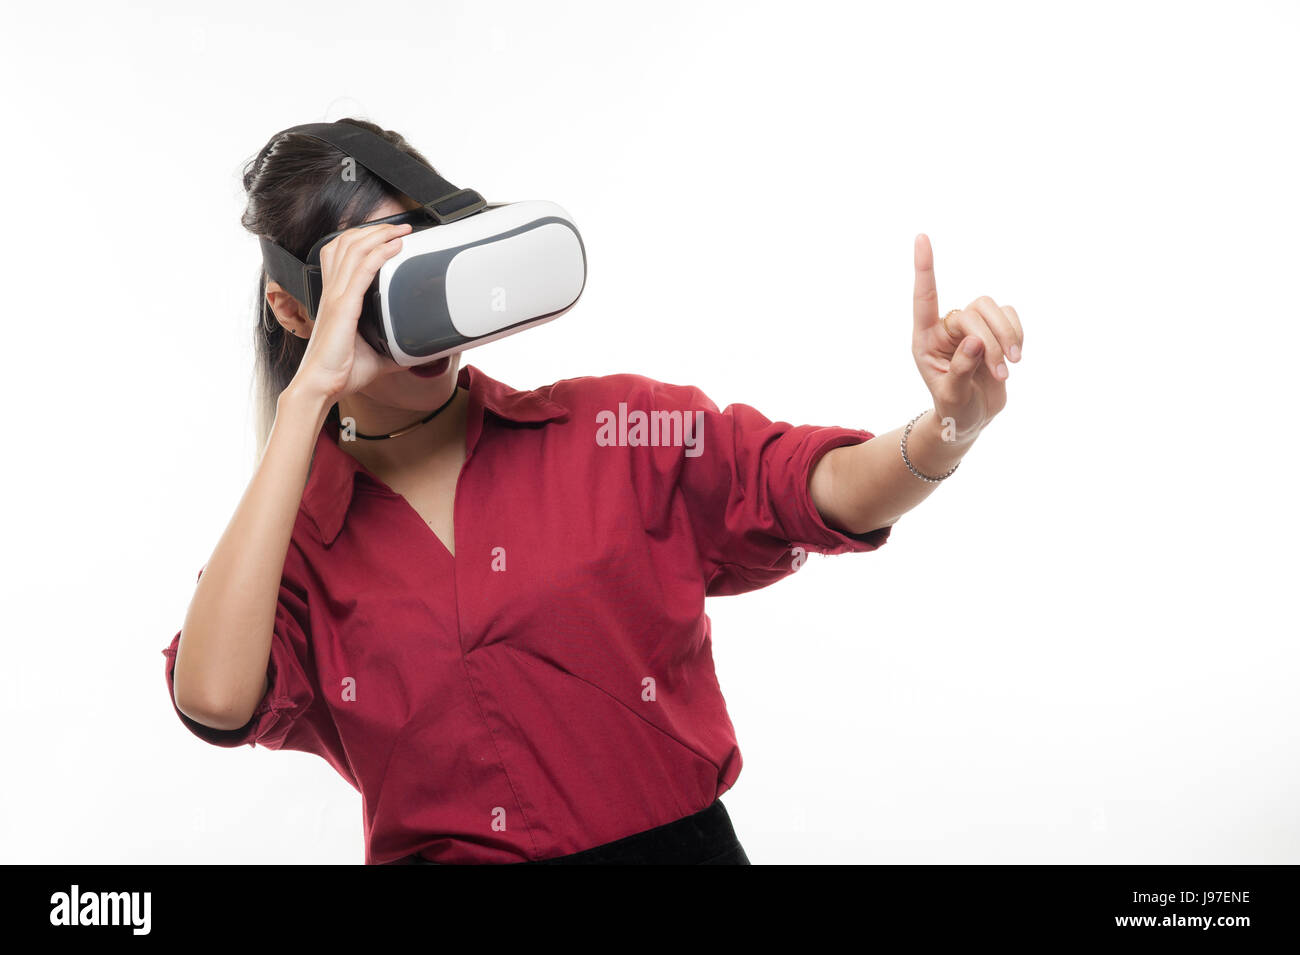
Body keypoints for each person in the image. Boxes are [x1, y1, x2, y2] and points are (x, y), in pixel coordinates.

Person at [160, 117, 1024, 865]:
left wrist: (949, 425)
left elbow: (816, 488)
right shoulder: (294, 545)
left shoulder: (611, 430)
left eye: (427, 264)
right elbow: (214, 697)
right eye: (376, 286)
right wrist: (309, 394)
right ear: (295, 308)